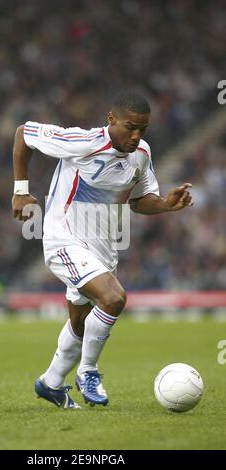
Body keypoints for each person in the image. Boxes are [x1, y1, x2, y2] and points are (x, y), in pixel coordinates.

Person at [12, 91, 193, 409]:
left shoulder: (141, 154)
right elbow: (23, 134)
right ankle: (88, 371)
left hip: (103, 249)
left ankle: (51, 383)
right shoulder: (83, 142)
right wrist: (20, 191)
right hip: (64, 240)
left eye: (143, 130)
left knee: (81, 322)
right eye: (130, 127)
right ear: (111, 120)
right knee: (113, 298)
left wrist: (165, 204)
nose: (136, 136)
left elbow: (138, 201)